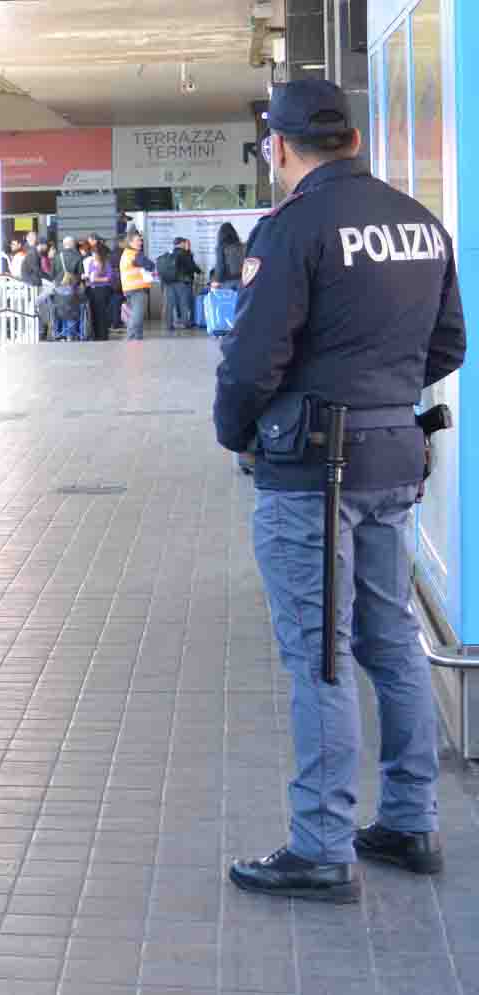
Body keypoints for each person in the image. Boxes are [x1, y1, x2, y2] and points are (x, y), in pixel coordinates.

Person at [215, 80, 466, 903]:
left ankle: (322, 845)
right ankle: (409, 819)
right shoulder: (420, 223)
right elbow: (450, 342)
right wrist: (383, 392)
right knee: (390, 641)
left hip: (310, 472)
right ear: (353, 139)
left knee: (319, 655)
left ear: (279, 148)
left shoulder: (294, 229)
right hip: (396, 456)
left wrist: (238, 429)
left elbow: (254, 362)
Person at [160, 237, 202, 332]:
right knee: (183, 303)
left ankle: (169, 324)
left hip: (169, 282)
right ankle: (185, 323)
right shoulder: (184, 253)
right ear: (182, 243)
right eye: (184, 243)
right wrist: (199, 271)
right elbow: (191, 266)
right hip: (181, 282)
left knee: (170, 304)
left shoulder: (169, 253)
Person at [119, 231, 155, 340]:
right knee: (137, 316)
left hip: (129, 289)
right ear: (130, 242)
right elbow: (151, 265)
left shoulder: (126, 253)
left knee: (135, 315)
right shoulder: (135, 254)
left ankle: (138, 338)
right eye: (138, 240)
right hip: (137, 289)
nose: (141, 242)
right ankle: (131, 338)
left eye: (141, 240)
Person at [84, 241, 115, 342]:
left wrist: (97, 279)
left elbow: (109, 278)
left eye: (94, 253)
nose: (93, 255)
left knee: (101, 312)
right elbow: (89, 274)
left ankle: (103, 334)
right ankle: (95, 334)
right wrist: (87, 277)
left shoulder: (106, 263)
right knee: (93, 312)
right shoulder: (92, 263)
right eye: (92, 253)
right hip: (92, 290)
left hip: (102, 290)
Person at [211, 222, 246, 290]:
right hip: (242, 281)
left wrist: (216, 281)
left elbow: (220, 266)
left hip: (228, 282)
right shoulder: (241, 246)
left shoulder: (221, 247)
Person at [52, 272, 84, 341]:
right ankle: (70, 335)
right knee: (72, 316)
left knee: (64, 315)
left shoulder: (56, 290)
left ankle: (63, 335)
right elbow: (84, 299)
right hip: (73, 314)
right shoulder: (76, 290)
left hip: (59, 313)